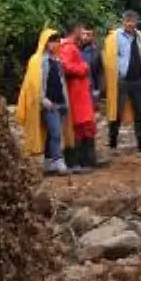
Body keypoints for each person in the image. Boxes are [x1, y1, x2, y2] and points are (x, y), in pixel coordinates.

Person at [102, 10, 141, 155]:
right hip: (122, 80)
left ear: (136, 22)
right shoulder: (114, 37)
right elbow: (109, 59)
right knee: (117, 112)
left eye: (132, 21)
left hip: (139, 79)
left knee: (140, 113)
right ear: (123, 21)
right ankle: (112, 144)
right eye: (127, 21)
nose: (130, 24)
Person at [15, 29, 72, 175]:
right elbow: (34, 84)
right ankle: (59, 161)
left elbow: (61, 82)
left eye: (57, 41)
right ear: (45, 43)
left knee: (50, 133)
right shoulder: (37, 60)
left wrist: (65, 101)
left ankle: (48, 163)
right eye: (52, 41)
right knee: (55, 133)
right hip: (48, 104)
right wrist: (43, 99)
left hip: (59, 102)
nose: (56, 44)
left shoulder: (58, 60)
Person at [59, 22, 98, 172]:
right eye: (82, 31)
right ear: (75, 30)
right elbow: (66, 67)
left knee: (85, 125)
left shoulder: (72, 46)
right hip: (76, 94)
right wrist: (84, 68)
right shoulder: (68, 47)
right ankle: (78, 163)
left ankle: (86, 161)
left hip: (80, 93)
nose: (84, 34)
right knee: (79, 126)